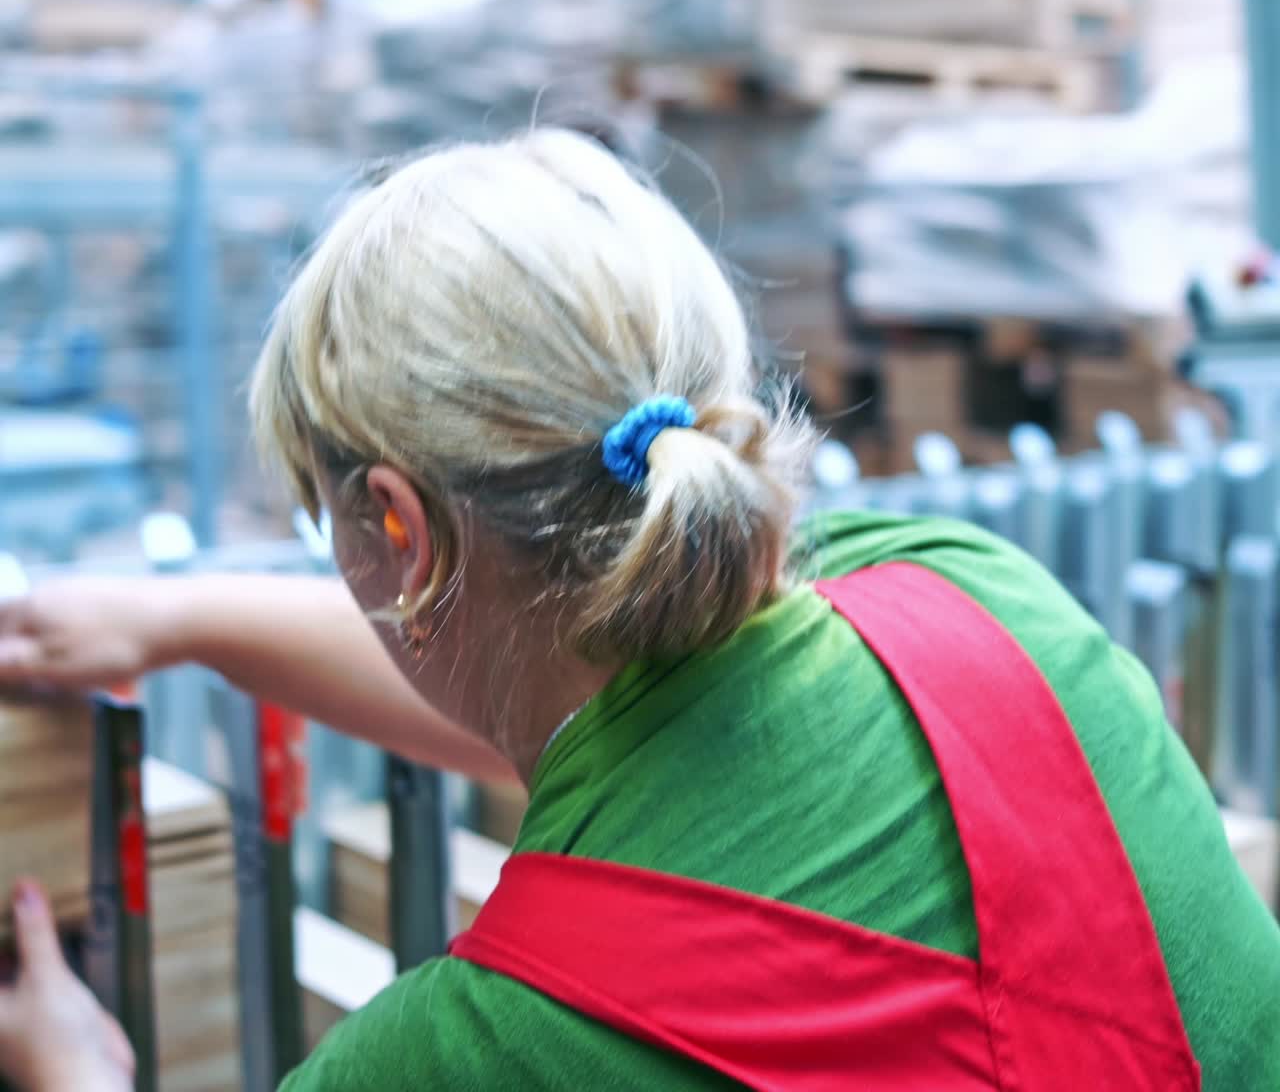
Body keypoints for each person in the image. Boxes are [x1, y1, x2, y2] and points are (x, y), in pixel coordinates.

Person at [0, 130, 1277, 1091]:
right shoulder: (971, 592)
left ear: (397, 529)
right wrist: (185, 621)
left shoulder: (473, 1053)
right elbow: (585, 684)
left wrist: (72, 1066)